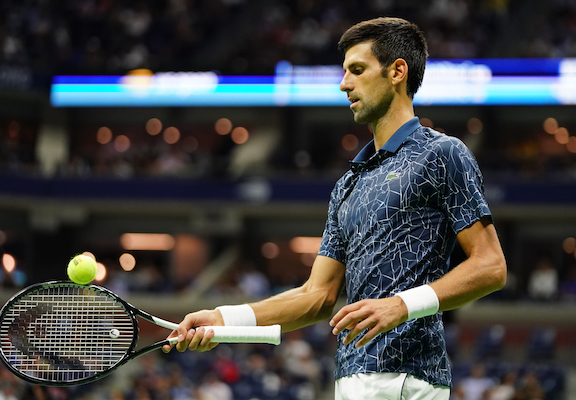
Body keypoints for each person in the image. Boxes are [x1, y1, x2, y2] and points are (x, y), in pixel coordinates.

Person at [163, 17, 506, 400]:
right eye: (344, 72)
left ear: (397, 72)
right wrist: (224, 318)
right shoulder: (348, 184)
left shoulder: (442, 154)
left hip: (408, 379)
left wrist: (402, 305)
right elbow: (316, 295)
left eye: (357, 70)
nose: (344, 84)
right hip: (350, 381)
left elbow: (490, 266)